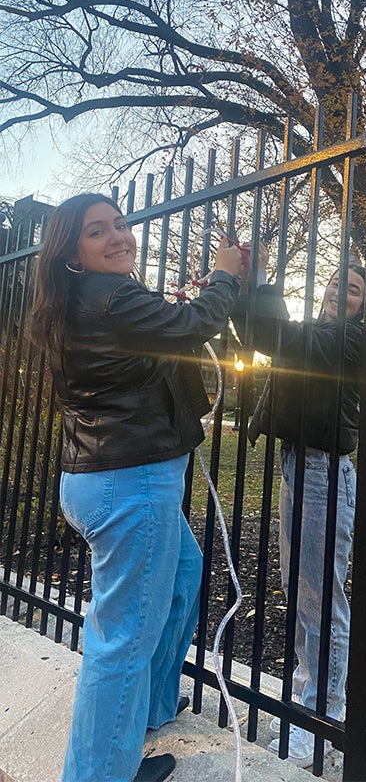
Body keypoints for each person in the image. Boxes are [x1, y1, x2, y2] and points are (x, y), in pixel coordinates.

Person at [29, 193, 245, 782]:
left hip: (106, 479)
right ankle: (100, 773)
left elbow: (164, 336)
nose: (119, 236)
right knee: (119, 643)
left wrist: (182, 303)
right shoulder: (110, 297)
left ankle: (144, 711)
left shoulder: (86, 299)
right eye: (98, 231)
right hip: (131, 485)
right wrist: (224, 274)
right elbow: (197, 324)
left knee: (183, 572)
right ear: (72, 252)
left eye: (121, 223)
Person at [237, 258, 365, 768]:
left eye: (353, 290)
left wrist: (261, 283)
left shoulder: (351, 343)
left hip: (324, 472)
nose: (339, 292)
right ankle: (307, 698)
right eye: (336, 282)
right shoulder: (315, 333)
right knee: (301, 592)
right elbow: (260, 333)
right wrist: (246, 290)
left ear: (364, 307)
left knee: (319, 596)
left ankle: (320, 722)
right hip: (298, 464)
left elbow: (277, 337)